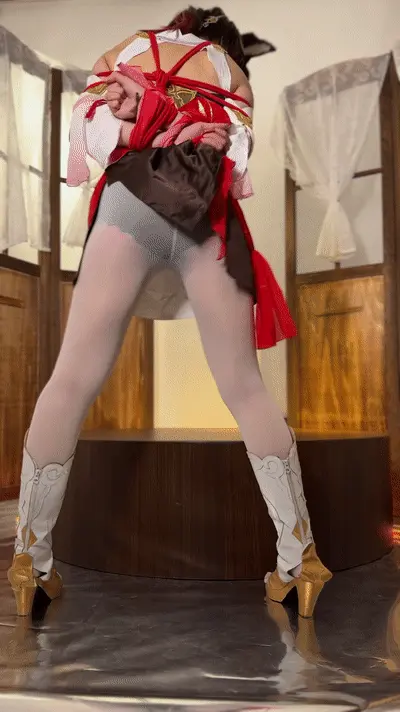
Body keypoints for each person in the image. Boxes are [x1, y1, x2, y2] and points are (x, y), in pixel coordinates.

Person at [8, 6, 331, 619]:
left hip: (131, 202)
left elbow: (93, 134)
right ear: (227, 43)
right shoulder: (232, 74)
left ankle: (31, 562)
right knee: (245, 387)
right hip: (208, 217)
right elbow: (235, 165)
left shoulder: (133, 49)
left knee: (71, 380)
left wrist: (142, 123)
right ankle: (301, 559)